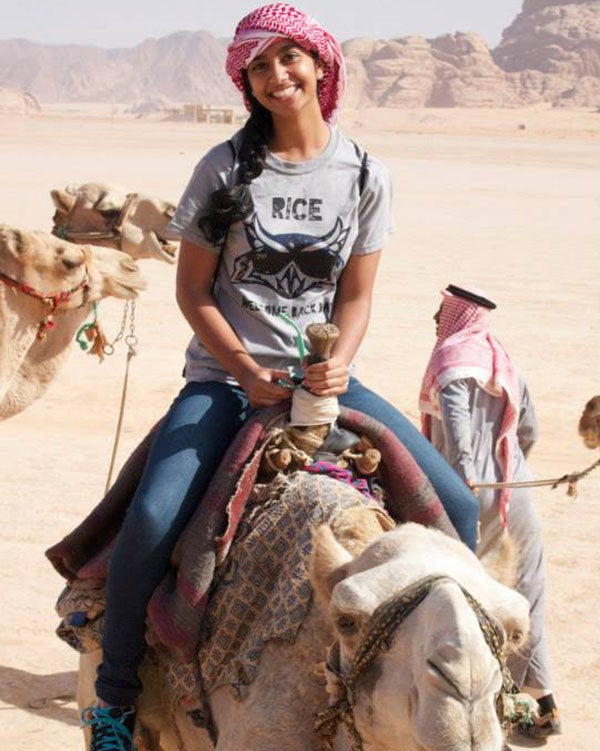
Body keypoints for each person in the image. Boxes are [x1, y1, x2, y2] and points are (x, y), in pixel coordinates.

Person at [81, 6, 479, 749]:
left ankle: (484, 680)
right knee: (153, 522)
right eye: (258, 67)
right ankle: (115, 698)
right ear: (246, 82)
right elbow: (193, 291)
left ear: (322, 66)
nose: (276, 76)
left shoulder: (364, 173)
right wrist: (242, 369)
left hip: (324, 384)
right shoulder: (223, 169)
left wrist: (337, 364)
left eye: (289, 59)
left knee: (457, 505)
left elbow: (356, 294)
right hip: (225, 383)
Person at [419, 283, 561, 740]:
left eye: (442, 311)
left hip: (469, 493)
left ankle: (490, 702)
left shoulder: (450, 362)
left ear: (456, 315)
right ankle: (543, 700)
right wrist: (509, 474)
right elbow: (528, 431)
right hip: (513, 488)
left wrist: (467, 487)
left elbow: (459, 445)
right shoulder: (500, 358)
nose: (437, 319)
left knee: (467, 597)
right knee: (526, 591)